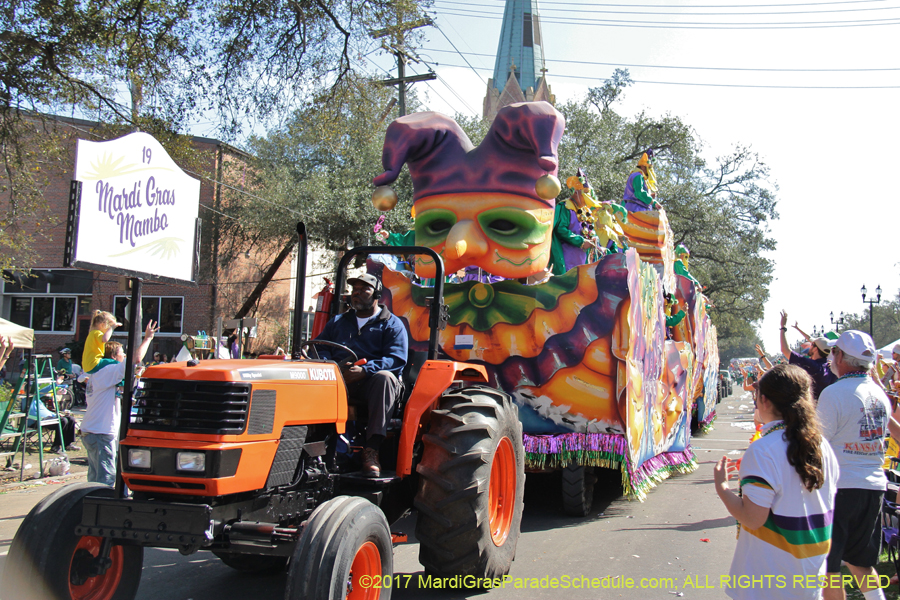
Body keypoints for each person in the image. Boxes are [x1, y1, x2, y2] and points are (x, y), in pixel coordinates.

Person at [714, 364, 839, 600]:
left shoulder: (763, 449)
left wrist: (722, 488)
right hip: (810, 574)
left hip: (770, 579)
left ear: (764, 400)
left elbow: (753, 518)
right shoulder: (822, 445)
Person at [818, 330, 900, 600]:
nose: (831, 357)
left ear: (840, 356)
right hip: (873, 486)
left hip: (840, 487)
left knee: (829, 567)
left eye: (833, 352)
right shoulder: (878, 393)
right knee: (860, 562)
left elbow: (818, 444)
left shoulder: (833, 394)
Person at [315, 273, 408, 477]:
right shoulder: (338, 322)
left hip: (372, 384)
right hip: (339, 379)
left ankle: (371, 450)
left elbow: (396, 359)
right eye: (354, 289)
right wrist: (332, 367)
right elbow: (320, 348)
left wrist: (365, 370)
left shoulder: (392, 324)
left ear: (377, 294)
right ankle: (313, 447)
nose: (356, 293)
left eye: (363, 289)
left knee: (384, 378)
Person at [81, 321, 157, 487]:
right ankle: (103, 501)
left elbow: (121, 387)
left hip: (91, 429)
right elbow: (136, 359)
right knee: (106, 480)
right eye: (122, 353)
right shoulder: (107, 371)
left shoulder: (98, 372)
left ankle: (92, 499)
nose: (124, 356)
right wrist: (148, 339)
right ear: (114, 357)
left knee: (94, 477)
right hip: (100, 432)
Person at [779, 310, 836, 400]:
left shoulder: (812, 366)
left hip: (812, 407)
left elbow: (785, 350)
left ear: (816, 349)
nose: (810, 346)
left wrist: (783, 327)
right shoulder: (831, 368)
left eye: (812, 344)